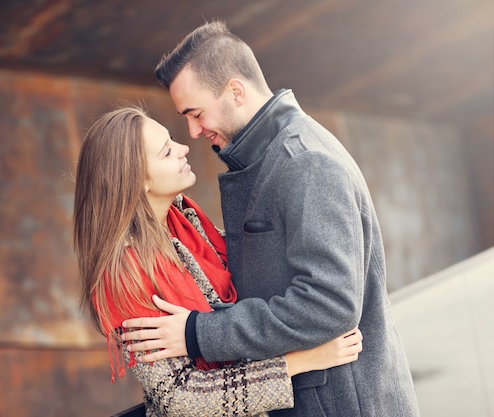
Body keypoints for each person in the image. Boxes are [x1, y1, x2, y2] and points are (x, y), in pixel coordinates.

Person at [121, 21, 420, 417]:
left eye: (196, 114)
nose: (193, 132)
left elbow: (329, 303)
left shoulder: (305, 162)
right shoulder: (270, 160)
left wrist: (198, 333)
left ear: (236, 92)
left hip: (341, 403)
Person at [73, 106, 363, 417]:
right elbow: (179, 398)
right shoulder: (124, 277)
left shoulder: (183, 219)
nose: (184, 148)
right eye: (167, 151)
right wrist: (301, 361)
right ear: (137, 180)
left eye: (172, 139)